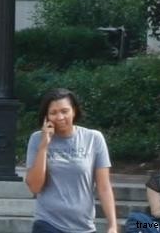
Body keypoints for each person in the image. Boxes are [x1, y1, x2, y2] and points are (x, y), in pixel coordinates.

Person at [25, 87, 118, 233]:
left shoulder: (93, 138)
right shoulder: (37, 139)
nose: (60, 117)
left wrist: (112, 224)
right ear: (46, 117)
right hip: (48, 223)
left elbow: (104, 186)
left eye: (64, 111)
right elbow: (34, 187)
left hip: (84, 226)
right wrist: (44, 146)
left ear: (74, 111)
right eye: (53, 113)